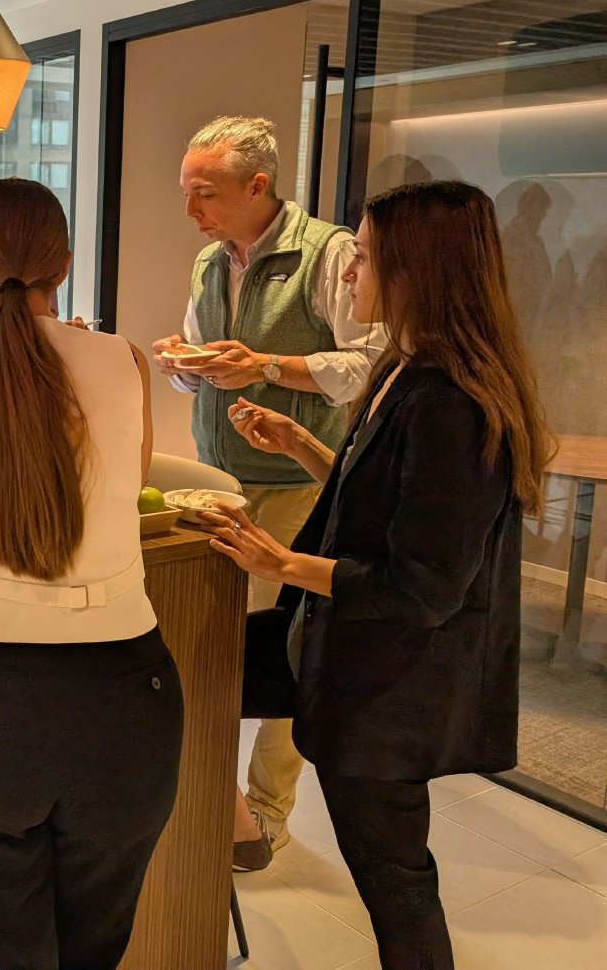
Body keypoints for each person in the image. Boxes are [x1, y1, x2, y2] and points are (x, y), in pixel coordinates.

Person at [202, 180, 551, 970]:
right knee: (192, 664)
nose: (350, 268)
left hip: (391, 681)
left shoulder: (455, 402)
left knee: (396, 883)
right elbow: (390, 506)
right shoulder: (402, 364)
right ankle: (201, 852)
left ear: (415, 269)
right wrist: (302, 445)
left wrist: (278, 559)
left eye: (364, 254)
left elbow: (420, 584)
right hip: (335, 643)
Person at [0, 179, 182, 968]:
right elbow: (123, 493)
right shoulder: (125, 361)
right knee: (94, 951)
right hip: (127, 703)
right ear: (65, 264)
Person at [150, 115, 383, 869]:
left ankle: (269, 810)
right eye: (187, 195)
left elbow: (369, 358)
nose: (193, 213)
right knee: (214, 644)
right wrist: (182, 364)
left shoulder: (331, 253)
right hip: (220, 477)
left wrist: (269, 368)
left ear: (259, 186)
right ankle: (222, 801)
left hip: (302, 480)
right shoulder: (209, 263)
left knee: (287, 653)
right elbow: (205, 362)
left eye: (205, 194)